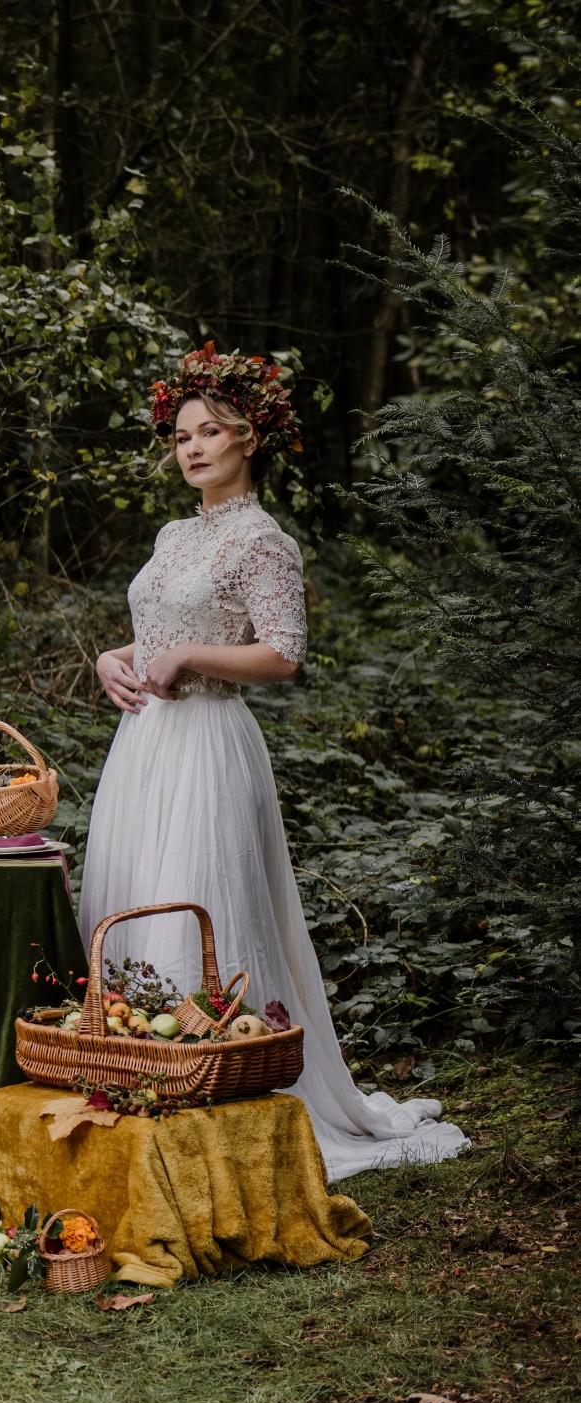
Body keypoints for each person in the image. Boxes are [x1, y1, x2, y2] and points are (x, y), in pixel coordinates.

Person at [83, 343, 467, 1181]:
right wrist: (114, 659)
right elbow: (157, 636)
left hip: (210, 745)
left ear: (248, 439)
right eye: (181, 435)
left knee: (198, 905)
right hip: (145, 743)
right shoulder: (172, 533)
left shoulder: (265, 540)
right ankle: (148, 1081)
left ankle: (227, 1097)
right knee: (136, 902)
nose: (192, 448)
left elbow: (283, 655)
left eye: (210, 432)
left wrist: (188, 654)